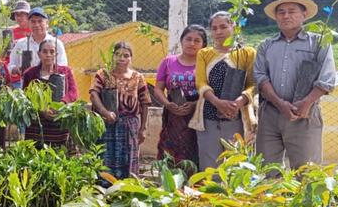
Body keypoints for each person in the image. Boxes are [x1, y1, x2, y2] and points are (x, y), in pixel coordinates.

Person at [254, 0, 335, 168]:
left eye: (292, 11)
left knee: (307, 172)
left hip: (304, 114)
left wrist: (306, 103)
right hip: (270, 115)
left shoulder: (319, 42)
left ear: (304, 14)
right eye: (281, 12)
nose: (286, 16)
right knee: (267, 172)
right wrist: (279, 103)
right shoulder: (266, 45)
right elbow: (260, 77)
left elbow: (327, 78)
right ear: (276, 16)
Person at [189, 12, 256, 170]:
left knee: (238, 165)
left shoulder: (247, 53)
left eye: (223, 27)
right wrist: (217, 102)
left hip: (237, 117)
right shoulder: (204, 54)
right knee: (210, 165)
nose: (218, 32)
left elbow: (253, 84)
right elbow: (200, 82)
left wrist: (240, 102)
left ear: (234, 27)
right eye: (214, 28)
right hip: (209, 116)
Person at [89, 42, 150, 179]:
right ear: (113, 56)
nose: (121, 58)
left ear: (131, 58)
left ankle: (126, 193)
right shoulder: (103, 75)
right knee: (104, 159)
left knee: (129, 159)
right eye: (118, 54)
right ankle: (104, 194)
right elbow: (93, 94)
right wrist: (104, 112)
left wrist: (143, 128)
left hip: (130, 125)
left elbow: (145, 102)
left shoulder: (138, 77)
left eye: (126, 55)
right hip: (106, 123)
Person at [154, 25, 206, 166]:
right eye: (188, 39)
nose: (192, 43)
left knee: (195, 152)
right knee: (170, 151)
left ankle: (192, 186)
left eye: (197, 40)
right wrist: (168, 104)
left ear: (203, 45)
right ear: (181, 41)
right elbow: (158, 88)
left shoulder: (206, 65)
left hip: (197, 115)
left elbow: (211, 91)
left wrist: (194, 105)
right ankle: (171, 184)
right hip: (173, 115)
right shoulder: (168, 62)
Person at [22, 39, 79, 147]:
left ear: (56, 54)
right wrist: (42, 110)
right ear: (39, 54)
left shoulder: (65, 71)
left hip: (60, 120)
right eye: (45, 52)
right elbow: (26, 96)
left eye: (52, 52)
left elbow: (73, 92)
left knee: (59, 155)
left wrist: (61, 104)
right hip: (37, 123)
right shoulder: (30, 73)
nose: (48, 55)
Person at [8, 7, 68, 81]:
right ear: (29, 23)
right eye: (33, 21)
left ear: (47, 23)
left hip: (51, 86)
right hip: (27, 86)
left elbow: (63, 67)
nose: (36, 25)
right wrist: (15, 69)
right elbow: (11, 64)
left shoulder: (56, 44)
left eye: (40, 21)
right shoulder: (21, 44)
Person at [6, 0, 31, 88]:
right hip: (14, 76)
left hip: (31, 77)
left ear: (28, 15)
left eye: (22, 14)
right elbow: (7, 54)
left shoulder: (35, 31)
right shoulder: (11, 32)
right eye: (17, 15)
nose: (19, 17)